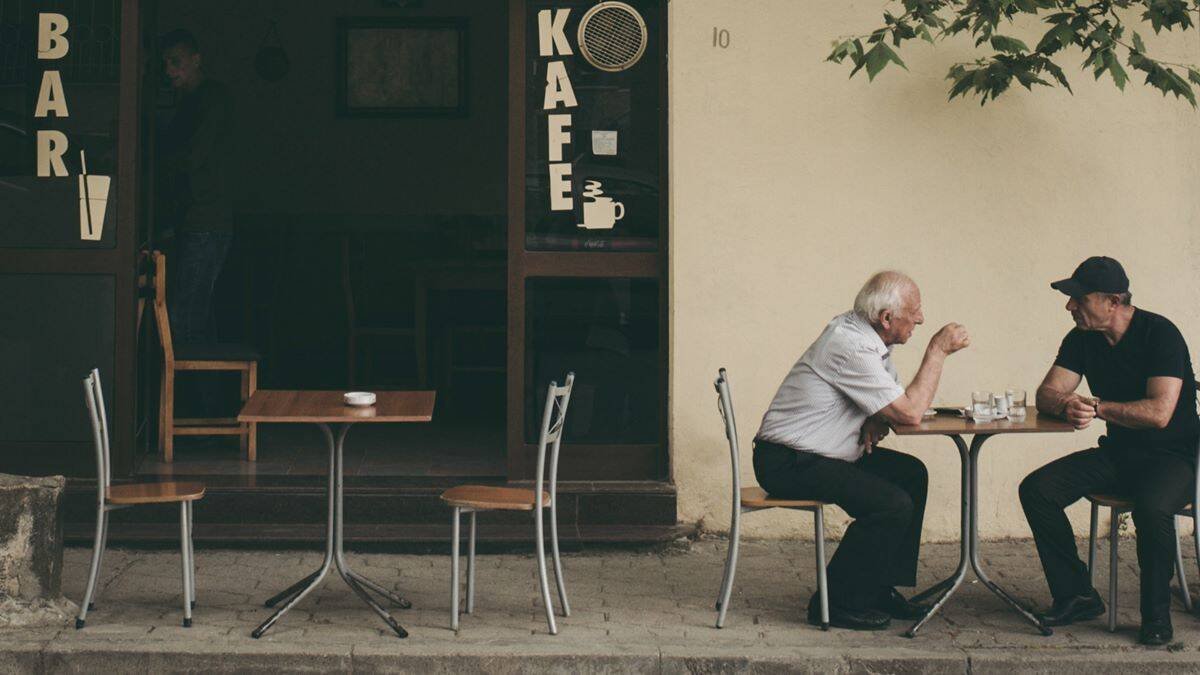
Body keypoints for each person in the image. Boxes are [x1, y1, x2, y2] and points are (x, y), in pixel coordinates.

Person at [754, 271, 970, 630]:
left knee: (911, 474)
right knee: (890, 504)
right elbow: (909, 412)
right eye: (914, 311)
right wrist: (937, 351)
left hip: (822, 454)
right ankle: (835, 602)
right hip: (788, 461)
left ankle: (876, 588)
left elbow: (891, 402)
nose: (920, 319)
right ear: (886, 318)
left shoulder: (868, 339)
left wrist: (876, 414)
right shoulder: (851, 345)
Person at [1019, 256, 1199, 646]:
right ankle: (1077, 596)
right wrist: (1066, 404)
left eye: (1079, 299)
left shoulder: (1160, 334)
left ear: (1113, 301)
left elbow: (1159, 413)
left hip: (1174, 457)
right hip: (1119, 454)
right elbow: (1047, 393)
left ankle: (1156, 616)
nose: (1070, 306)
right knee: (1037, 489)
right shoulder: (1081, 338)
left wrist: (1098, 407)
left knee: (1152, 509)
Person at [159, 29, 234, 416]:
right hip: (194, 222)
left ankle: (200, 413)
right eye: (165, 64)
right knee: (197, 317)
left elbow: (193, 157)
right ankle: (208, 412)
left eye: (176, 61)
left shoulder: (211, 100)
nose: (169, 70)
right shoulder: (189, 103)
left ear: (196, 59)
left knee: (186, 318)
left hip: (205, 222)